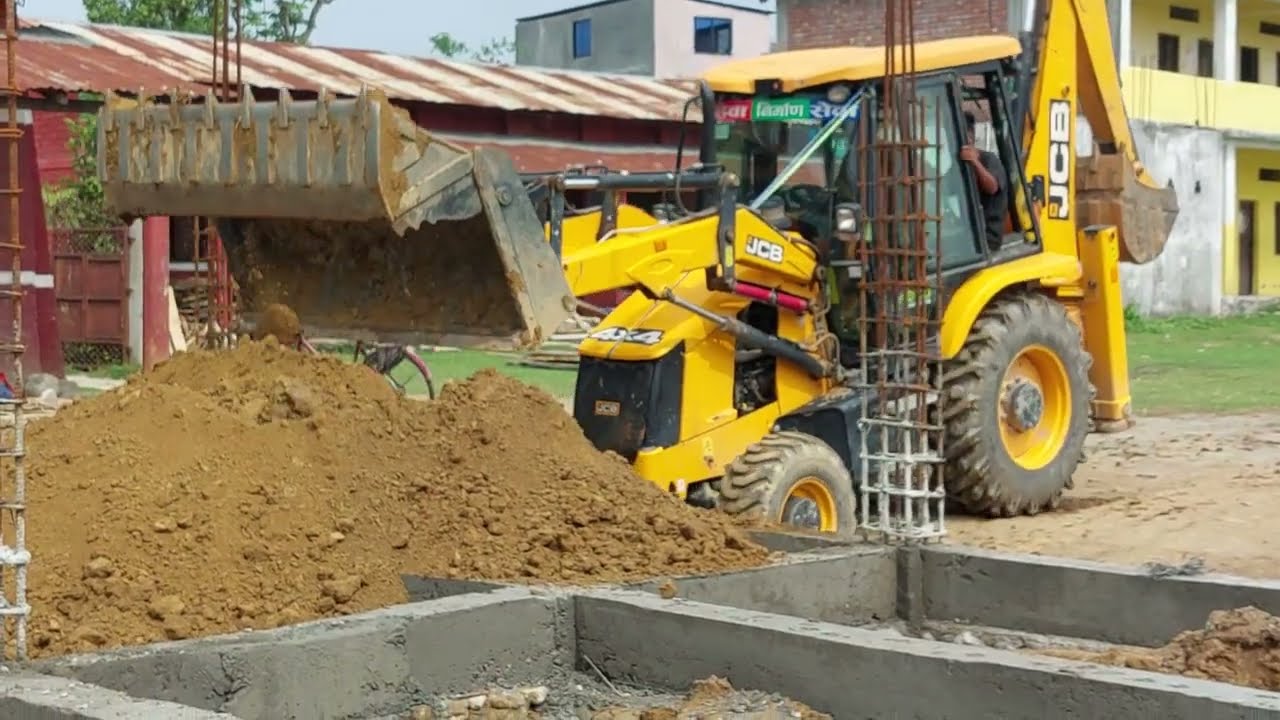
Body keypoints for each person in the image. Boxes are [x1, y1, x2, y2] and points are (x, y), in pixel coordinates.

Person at [960, 110, 1008, 251]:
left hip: (987, 236)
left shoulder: (988, 159)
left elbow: (992, 187)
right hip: (969, 231)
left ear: (970, 136)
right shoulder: (960, 164)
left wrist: (975, 163)